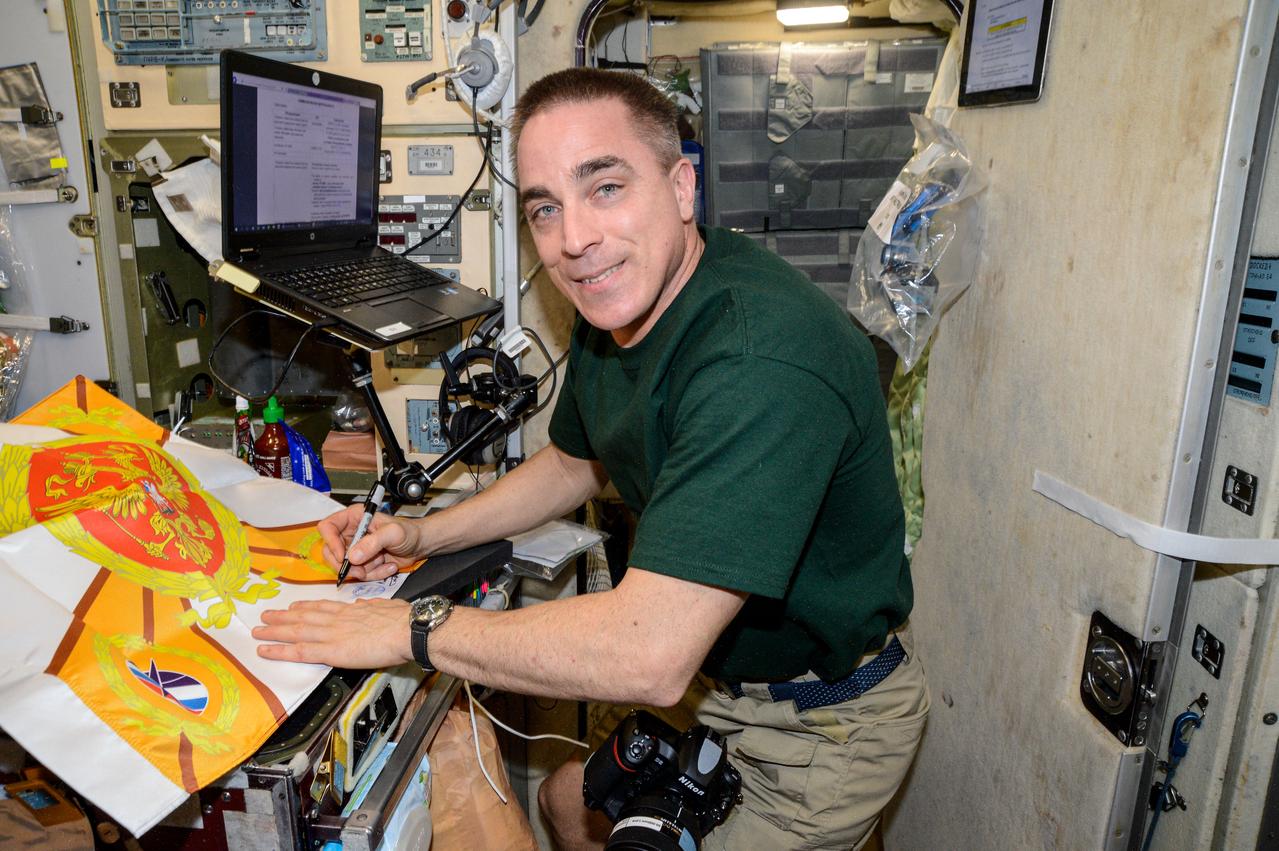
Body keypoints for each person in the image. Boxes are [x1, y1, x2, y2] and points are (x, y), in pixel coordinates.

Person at [253, 67, 928, 850]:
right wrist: (421, 535)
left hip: (817, 727)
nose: (573, 240)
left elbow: (647, 655)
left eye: (604, 187)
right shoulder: (623, 306)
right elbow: (577, 462)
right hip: (715, 682)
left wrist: (409, 628)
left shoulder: (757, 359)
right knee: (567, 805)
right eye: (545, 206)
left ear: (681, 187)